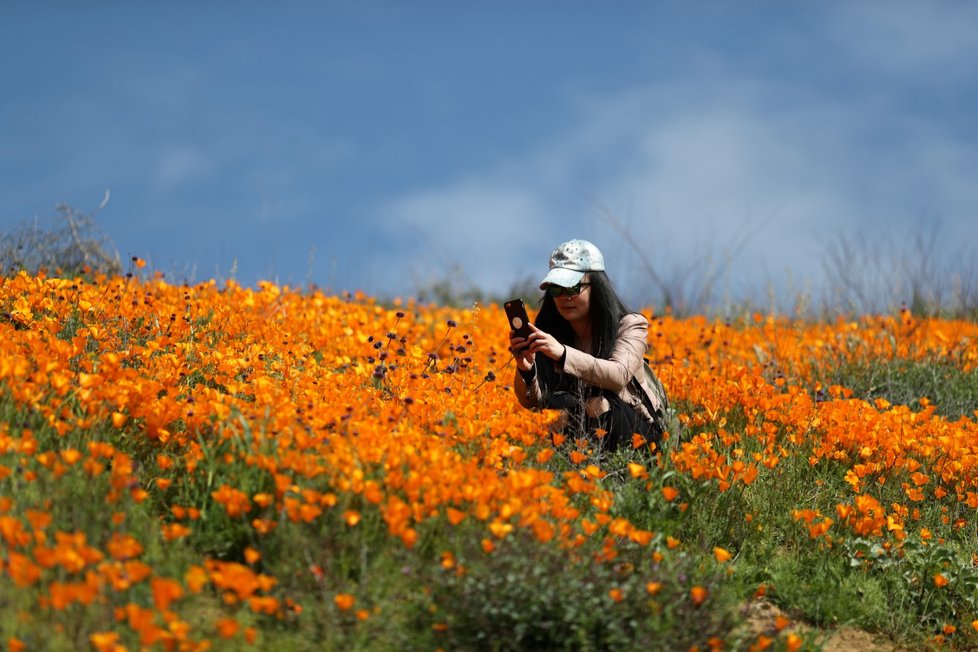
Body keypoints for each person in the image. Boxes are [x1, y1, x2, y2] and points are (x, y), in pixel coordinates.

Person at [510, 239, 664, 452]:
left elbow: (619, 375)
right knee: (556, 408)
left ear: (597, 287)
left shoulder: (630, 325)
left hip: (639, 437)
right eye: (556, 289)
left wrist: (563, 354)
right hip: (583, 437)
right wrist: (526, 371)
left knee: (599, 404)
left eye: (573, 287)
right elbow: (531, 403)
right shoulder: (551, 333)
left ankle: (614, 478)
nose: (564, 297)